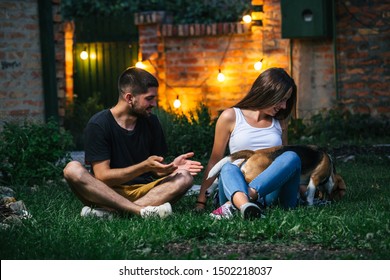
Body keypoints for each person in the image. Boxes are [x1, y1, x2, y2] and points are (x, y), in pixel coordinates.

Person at [63, 67, 203, 219]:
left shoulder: (152, 122)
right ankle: (139, 212)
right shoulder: (99, 124)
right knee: (72, 169)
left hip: (145, 190)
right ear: (130, 98)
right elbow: (103, 176)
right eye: (149, 98)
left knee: (185, 177)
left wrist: (170, 167)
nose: (154, 104)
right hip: (106, 192)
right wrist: (144, 166)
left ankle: (114, 215)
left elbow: (155, 171)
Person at [195, 67, 301, 220]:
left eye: (287, 100)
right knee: (227, 166)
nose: (284, 106)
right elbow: (215, 160)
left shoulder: (281, 121)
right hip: (235, 186)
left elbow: (283, 162)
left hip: (271, 192)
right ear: (267, 92)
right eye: (281, 99)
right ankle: (244, 203)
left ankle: (242, 203)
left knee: (291, 156)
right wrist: (201, 201)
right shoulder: (231, 116)